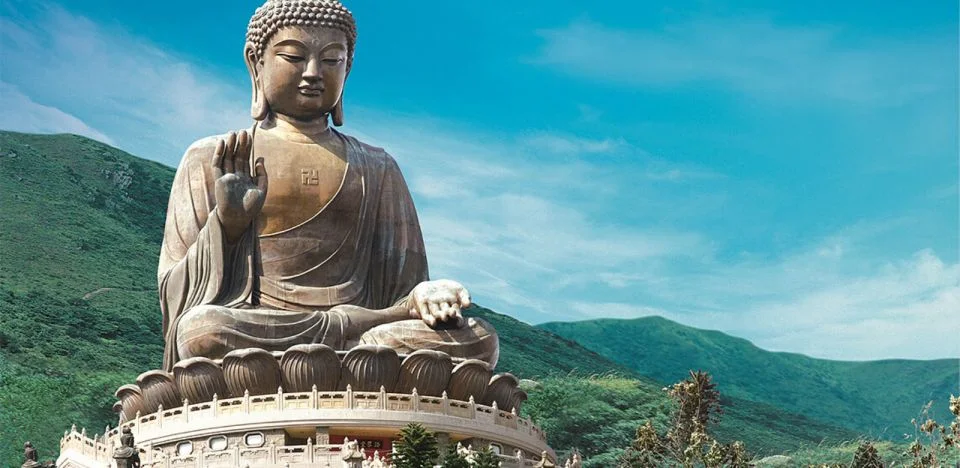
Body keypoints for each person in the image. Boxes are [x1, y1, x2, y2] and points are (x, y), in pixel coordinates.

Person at [157, 0, 498, 371]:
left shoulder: (377, 166)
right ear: (256, 62)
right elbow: (175, 296)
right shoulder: (216, 157)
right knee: (202, 330)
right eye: (293, 57)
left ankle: (347, 356)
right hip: (262, 329)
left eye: (332, 60)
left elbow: (405, 297)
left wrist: (423, 295)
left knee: (479, 337)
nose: (313, 73)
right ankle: (352, 360)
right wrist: (227, 225)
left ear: (347, 68)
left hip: (368, 331)